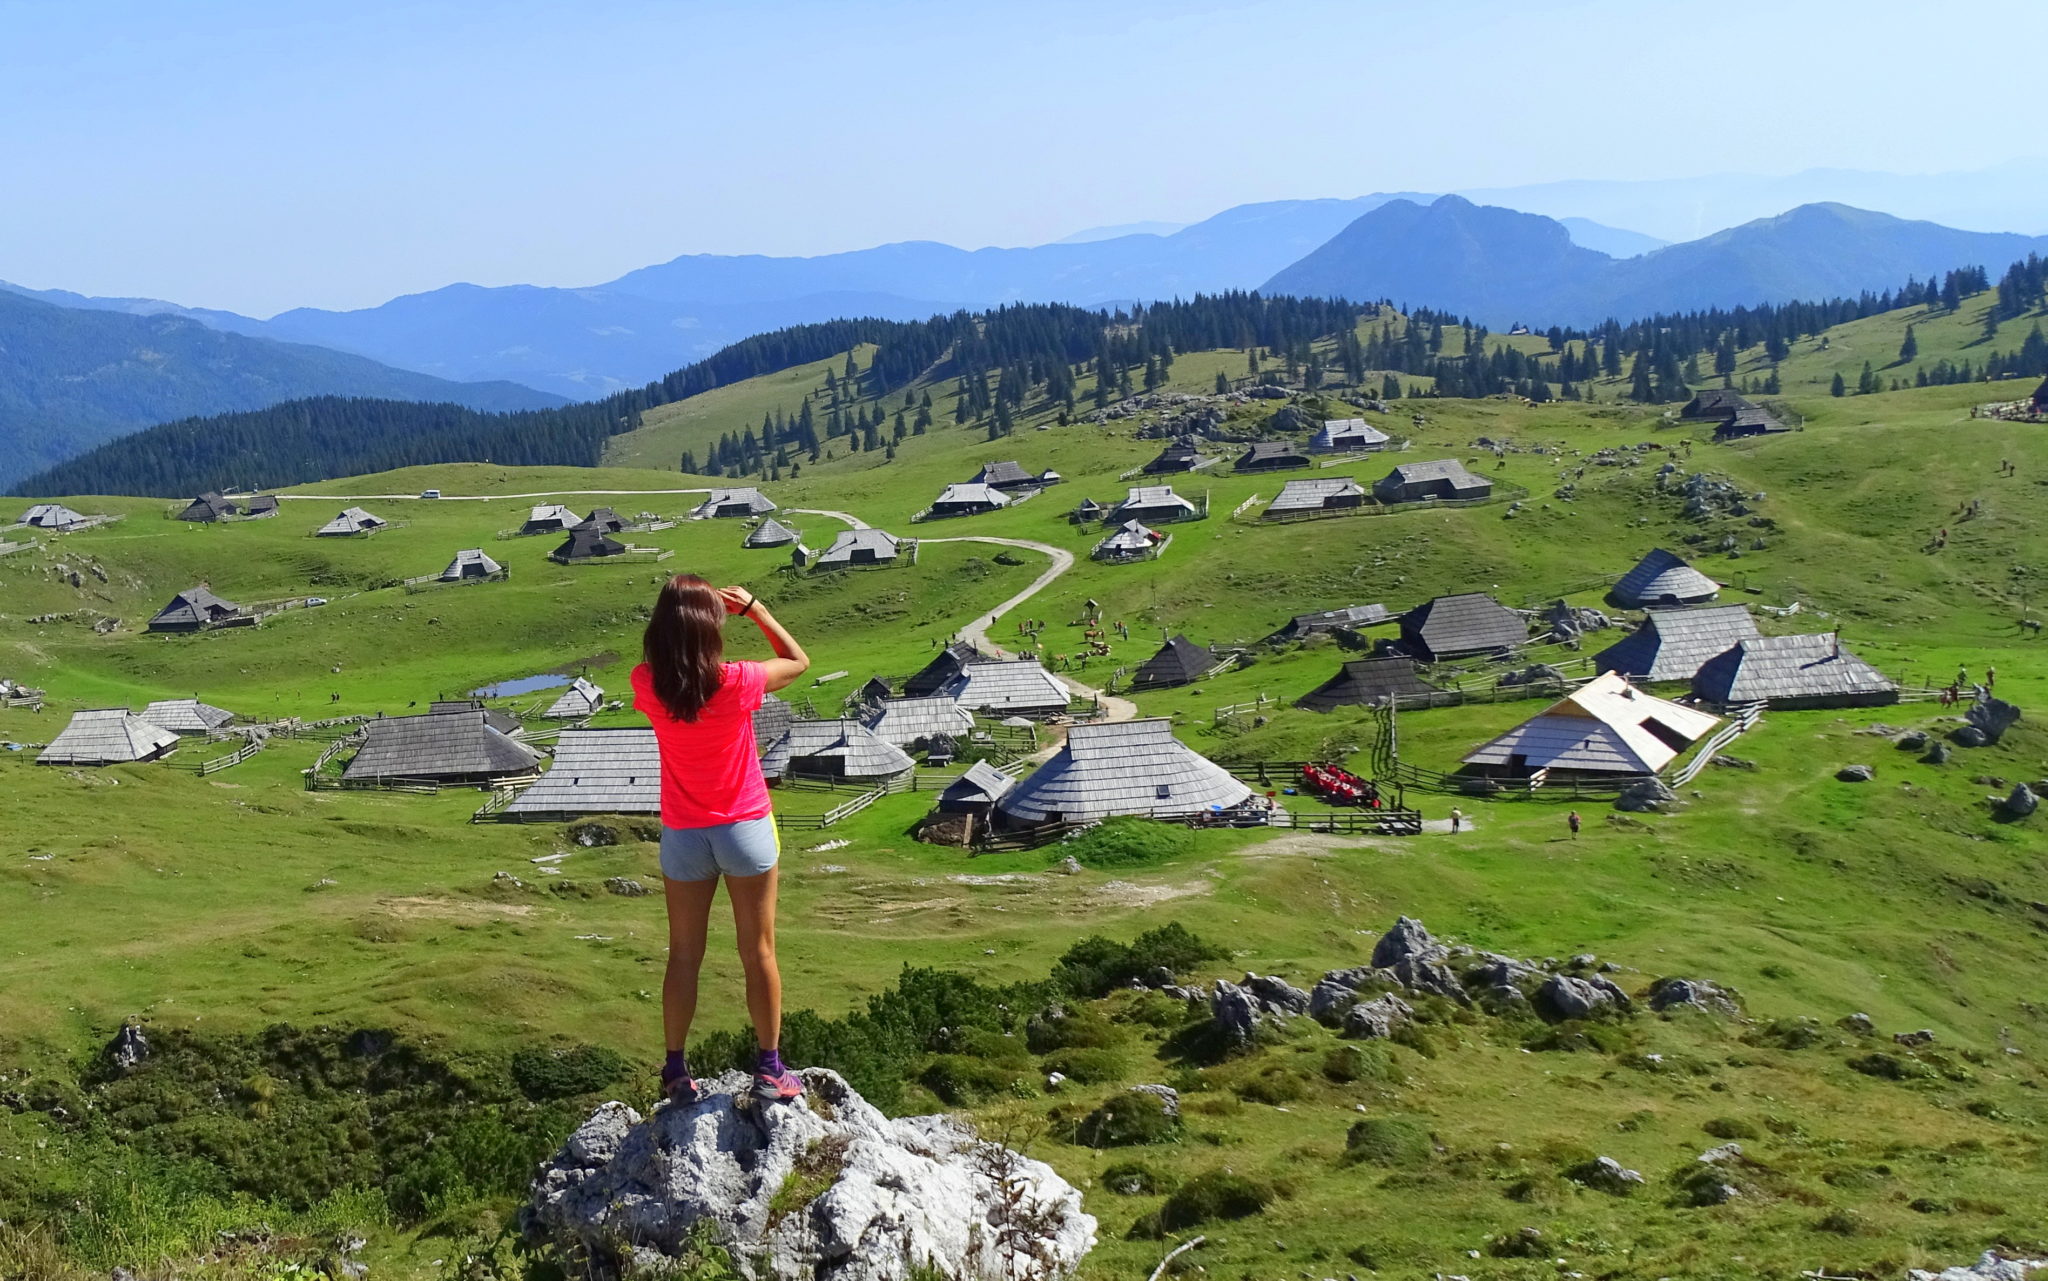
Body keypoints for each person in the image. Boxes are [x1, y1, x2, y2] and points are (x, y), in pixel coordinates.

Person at [632, 573, 811, 1106]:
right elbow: (798, 661)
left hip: (684, 834)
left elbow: (673, 664)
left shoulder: (647, 683)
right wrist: (755, 609)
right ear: (713, 628)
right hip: (745, 827)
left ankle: (675, 1070)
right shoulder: (737, 681)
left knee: (683, 955)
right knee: (758, 952)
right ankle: (771, 1069)